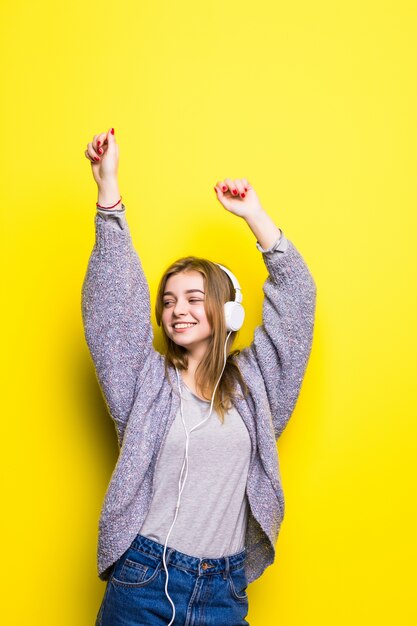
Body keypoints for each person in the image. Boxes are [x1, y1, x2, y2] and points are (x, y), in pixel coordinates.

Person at [82, 128, 317, 626]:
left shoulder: (255, 390)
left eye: (193, 298)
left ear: (227, 312)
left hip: (223, 590)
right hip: (143, 580)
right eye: (168, 301)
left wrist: (255, 215)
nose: (177, 310)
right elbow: (111, 308)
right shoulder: (143, 383)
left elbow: (298, 304)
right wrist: (108, 192)